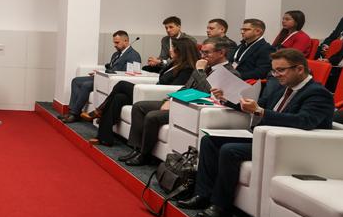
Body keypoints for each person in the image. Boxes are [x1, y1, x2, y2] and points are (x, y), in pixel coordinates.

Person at [177, 48, 335, 217]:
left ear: (299, 69)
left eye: (281, 70)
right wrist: (226, 99)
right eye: (274, 71)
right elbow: (259, 105)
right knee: (209, 141)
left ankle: (221, 205)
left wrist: (260, 111)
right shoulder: (283, 88)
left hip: (290, 145)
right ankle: (202, 195)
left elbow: (304, 121)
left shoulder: (318, 93)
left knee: (230, 150)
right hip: (263, 137)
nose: (276, 75)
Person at [120, 37, 238, 165]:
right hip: (183, 102)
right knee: (139, 106)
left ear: (221, 53)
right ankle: (136, 149)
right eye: (202, 52)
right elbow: (186, 87)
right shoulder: (205, 66)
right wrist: (171, 99)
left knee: (152, 116)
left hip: (195, 109)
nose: (203, 55)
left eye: (207, 52)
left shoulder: (230, 73)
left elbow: (208, 92)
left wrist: (200, 71)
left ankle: (144, 155)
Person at [92, 38, 200, 146]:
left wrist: (152, 88)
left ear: (181, 51)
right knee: (118, 98)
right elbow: (162, 74)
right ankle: (105, 137)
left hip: (158, 96)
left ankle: (100, 110)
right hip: (151, 91)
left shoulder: (187, 69)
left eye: (173, 48)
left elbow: (174, 87)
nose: (170, 50)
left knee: (122, 84)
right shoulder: (174, 63)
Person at [59, 30, 141, 123]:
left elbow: (127, 74)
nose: (114, 45)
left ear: (126, 41)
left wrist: (104, 74)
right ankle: (71, 111)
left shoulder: (134, 55)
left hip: (113, 81)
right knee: (76, 81)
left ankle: (74, 114)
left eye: (117, 42)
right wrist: (99, 73)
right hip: (104, 77)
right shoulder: (116, 54)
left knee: (86, 85)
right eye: (114, 42)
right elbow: (110, 68)